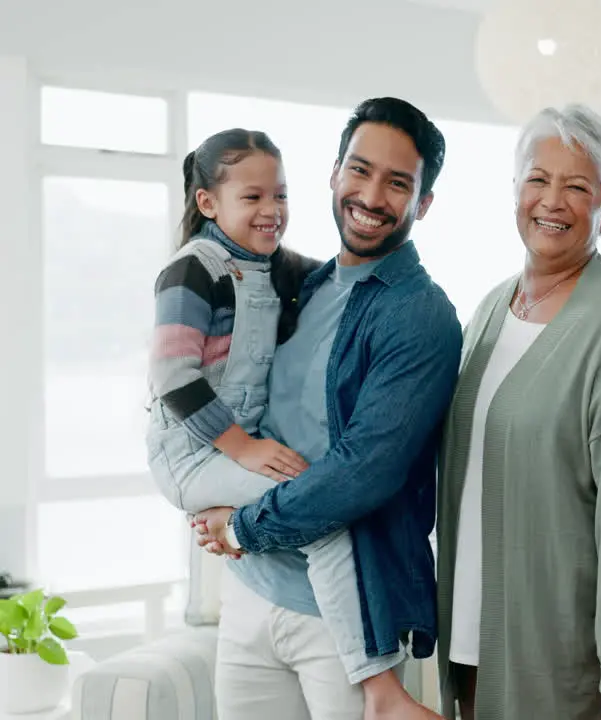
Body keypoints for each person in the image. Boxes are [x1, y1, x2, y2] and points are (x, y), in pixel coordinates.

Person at [191, 97, 463, 720]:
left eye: (398, 183)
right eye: (360, 171)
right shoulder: (304, 287)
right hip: (253, 592)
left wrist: (240, 525)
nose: (371, 195)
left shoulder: (420, 314)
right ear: (334, 174)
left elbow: (364, 469)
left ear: (421, 205)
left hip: (343, 615)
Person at [147, 127, 417, 718]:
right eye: (253, 198)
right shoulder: (192, 271)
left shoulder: (271, 268)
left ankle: (372, 679)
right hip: (194, 453)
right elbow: (171, 375)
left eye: (281, 196)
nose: (272, 212)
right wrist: (241, 447)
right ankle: (379, 685)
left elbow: (341, 279)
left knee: (311, 508)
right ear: (207, 203)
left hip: (223, 456)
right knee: (321, 518)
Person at [434, 104, 601, 720]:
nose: (553, 201)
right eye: (538, 180)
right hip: (470, 636)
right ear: (515, 191)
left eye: (578, 187)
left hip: (558, 651)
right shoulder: (491, 307)